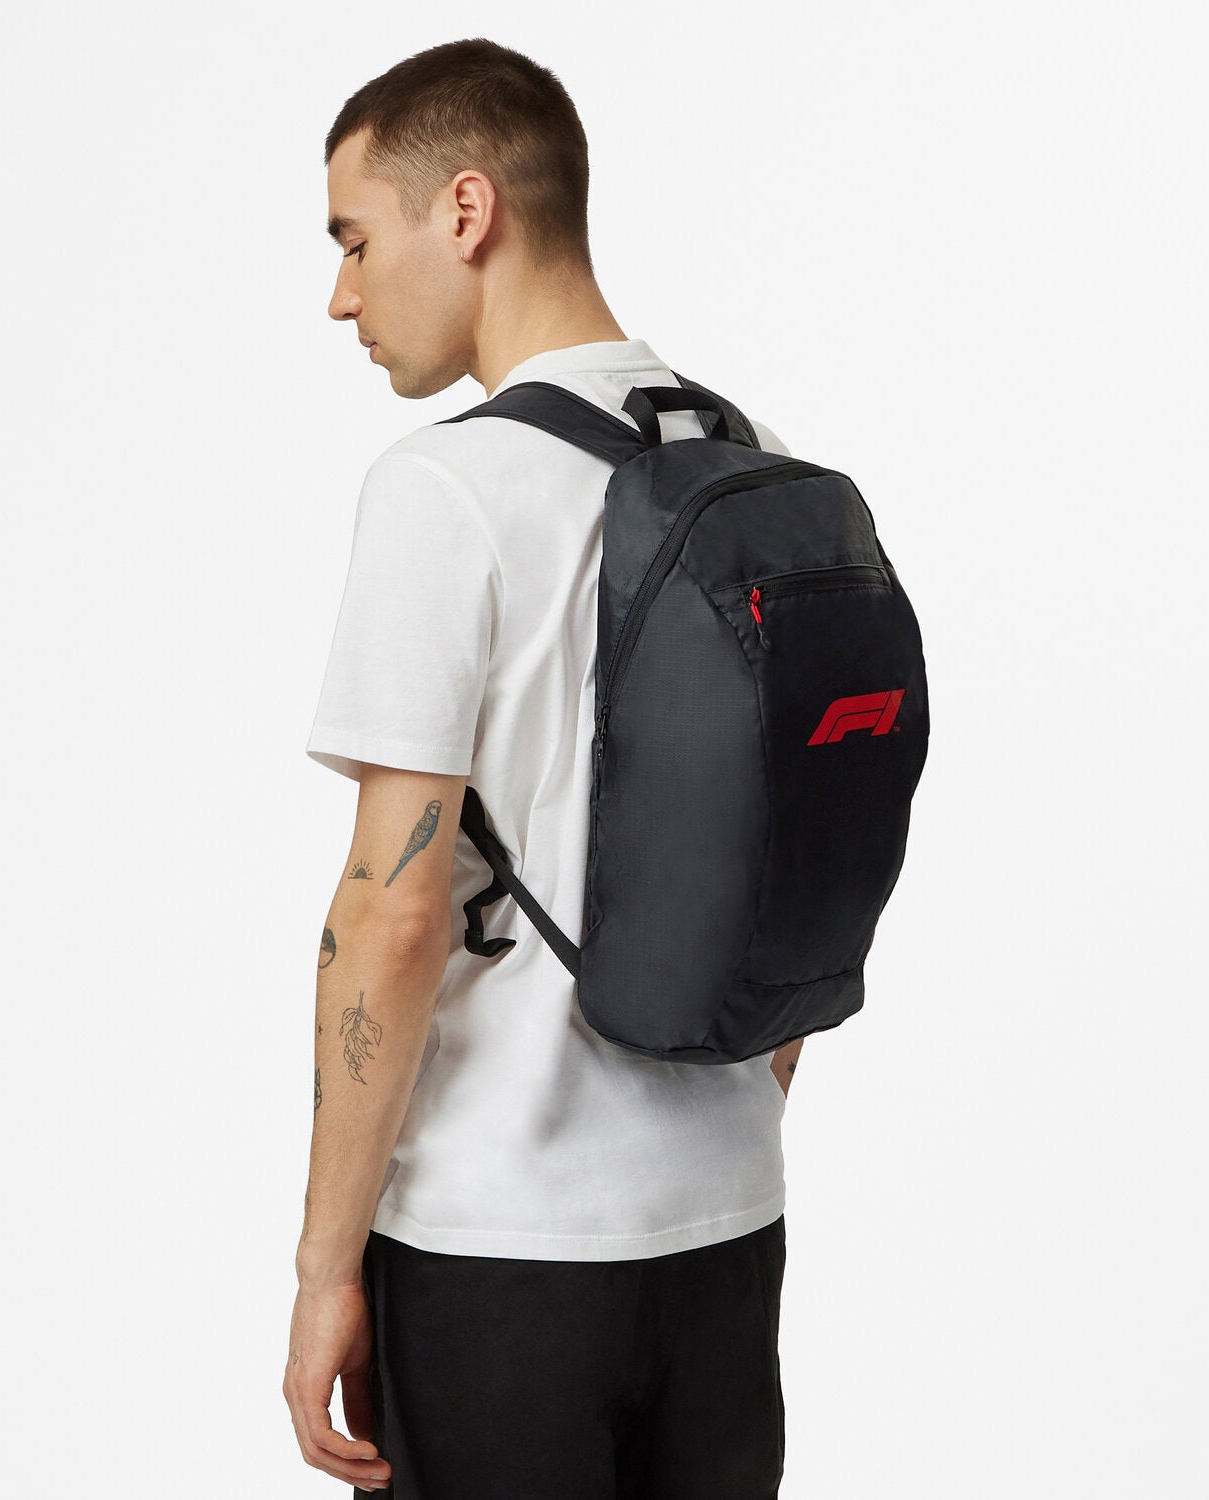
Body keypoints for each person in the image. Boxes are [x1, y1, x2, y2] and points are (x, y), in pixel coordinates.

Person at [283, 37, 803, 1499]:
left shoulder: (446, 487)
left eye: (353, 240)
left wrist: (325, 1268)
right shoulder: (757, 463)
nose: (341, 295)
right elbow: (805, 845)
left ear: (466, 210)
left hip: (497, 1257)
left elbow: (391, 912)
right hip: (727, 1233)